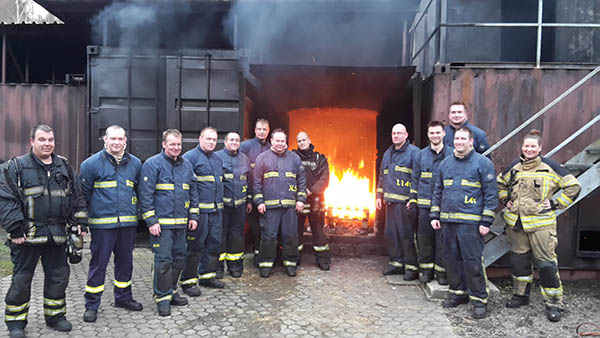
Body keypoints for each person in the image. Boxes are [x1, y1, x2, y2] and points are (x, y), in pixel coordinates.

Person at [0, 124, 88, 337]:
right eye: (42, 139)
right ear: (32, 141)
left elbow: (77, 196)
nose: (47, 143)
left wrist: (81, 223)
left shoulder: (64, 166)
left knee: (59, 278)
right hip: (26, 235)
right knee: (21, 280)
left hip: (57, 234)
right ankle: (16, 322)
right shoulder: (15, 167)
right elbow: (6, 199)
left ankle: (55, 316)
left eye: (50, 140)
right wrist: (14, 229)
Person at [497, 129, 580, 322]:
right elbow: (501, 183)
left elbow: (573, 186)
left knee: (546, 265)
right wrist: (505, 199)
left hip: (541, 226)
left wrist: (555, 203)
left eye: (533, 146)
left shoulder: (550, 167)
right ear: (522, 147)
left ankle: (554, 304)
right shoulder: (515, 167)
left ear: (540, 148)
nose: (529, 149)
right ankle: (520, 296)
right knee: (519, 262)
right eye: (526, 146)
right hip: (516, 225)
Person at [430, 127, 498, 319]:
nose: (459, 141)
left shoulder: (483, 163)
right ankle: (457, 293)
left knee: (472, 262)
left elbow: (491, 195)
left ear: (471, 142)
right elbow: (438, 191)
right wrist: (435, 216)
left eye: (463, 139)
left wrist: (486, 221)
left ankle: (479, 300)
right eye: (457, 138)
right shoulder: (445, 164)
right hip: (448, 222)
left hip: (471, 225)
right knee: (451, 260)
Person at [79, 125, 143, 323]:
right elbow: (82, 195)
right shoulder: (90, 164)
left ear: (126, 141)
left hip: (127, 225)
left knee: (125, 264)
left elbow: (140, 192)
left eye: (120, 139)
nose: (116, 142)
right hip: (102, 226)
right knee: (98, 265)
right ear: (105, 140)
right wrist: (82, 221)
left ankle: (123, 298)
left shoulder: (136, 164)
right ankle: (91, 305)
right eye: (112, 138)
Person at [139, 129, 199, 316]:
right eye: (172, 144)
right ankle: (162, 298)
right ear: (164, 144)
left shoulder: (187, 165)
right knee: (163, 261)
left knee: (179, 259)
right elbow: (145, 195)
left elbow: (193, 192)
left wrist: (194, 216)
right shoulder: (152, 164)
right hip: (161, 226)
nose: (176, 147)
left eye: (179, 144)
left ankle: (172, 290)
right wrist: (151, 221)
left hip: (181, 224)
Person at [253, 128, 307, 278]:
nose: (280, 144)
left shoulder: (294, 158)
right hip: (270, 207)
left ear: (286, 142)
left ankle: (290, 265)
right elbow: (256, 182)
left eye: (283, 141)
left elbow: (302, 181)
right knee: (269, 237)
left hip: (290, 206)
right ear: (271, 141)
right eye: (277, 141)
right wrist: (259, 202)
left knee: (290, 236)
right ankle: (265, 266)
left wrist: (301, 200)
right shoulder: (262, 158)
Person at [180, 127, 225, 295]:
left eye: (214, 140)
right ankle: (188, 281)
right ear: (200, 138)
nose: (211, 142)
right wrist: (191, 213)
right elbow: (186, 188)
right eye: (208, 139)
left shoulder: (217, 159)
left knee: (214, 244)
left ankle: (207, 276)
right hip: (199, 213)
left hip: (216, 211)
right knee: (195, 246)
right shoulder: (189, 158)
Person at [409, 121, 453, 284]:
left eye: (437, 133)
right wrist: (413, 200)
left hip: (444, 207)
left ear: (443, 134)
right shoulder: (420, 155)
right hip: (424, 207)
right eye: (432, 133)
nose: (435, 136)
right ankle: (425, 271)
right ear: (428, 135)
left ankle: (441, 273)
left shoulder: (451, 155)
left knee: (442, 241)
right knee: (424, 239)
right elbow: (414, 179)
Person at [376, 123, 420, 280]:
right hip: (390, 203)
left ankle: (411, 268)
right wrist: (379, 196)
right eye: (394, 133)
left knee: (406, 235)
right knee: (391, 234)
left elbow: (417, 178)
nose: (396, 136)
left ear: (406, 135)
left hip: (405, 203)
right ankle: (396, 263)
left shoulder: (414, 153)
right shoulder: (388, 153)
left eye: (399, 133)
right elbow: (382, 176)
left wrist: (413, 198)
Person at [215, 132, 252, 278]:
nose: (234, 142)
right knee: (220, 236)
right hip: (223, 206)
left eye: (237, 140)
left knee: (237, 237)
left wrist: (249, 200)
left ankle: (235, 266)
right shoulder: (217, 157)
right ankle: (218, 268)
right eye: (231, 140)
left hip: (240, 207)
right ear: (225, 142)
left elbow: (248, 182)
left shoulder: (244, 159)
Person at [293, 131, 331, 271]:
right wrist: (299, 193)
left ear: (309, 140)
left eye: (304, 140)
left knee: (318, 231)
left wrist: (310, 191)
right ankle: (294, 258)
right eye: (299, 141)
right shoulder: (293, 157)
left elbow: (324, 178)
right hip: (298, 201)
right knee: (296, 231)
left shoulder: (319, 158)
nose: (301, 143)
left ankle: (323, 260)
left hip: (316, 202)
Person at [240, 118, 271, 265]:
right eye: (259, 129)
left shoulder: (272, 148)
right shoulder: (245, 147)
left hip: (267, 197)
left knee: (265, 227)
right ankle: (249, 252)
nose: (262, 132)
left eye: (264, 129)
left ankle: (261, 255)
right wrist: (248, 198)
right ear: (255, 130)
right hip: (251, 195)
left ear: (268, 131)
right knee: (253, 227)